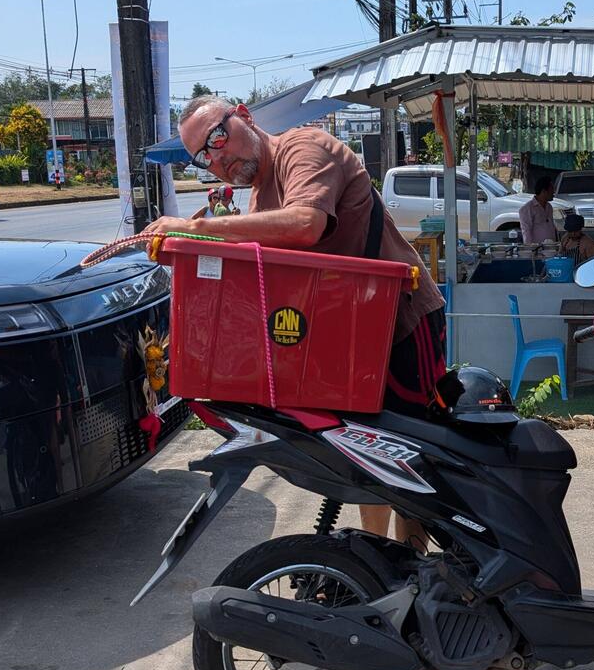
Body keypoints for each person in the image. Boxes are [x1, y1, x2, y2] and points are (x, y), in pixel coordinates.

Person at [151, 95, 447, 547]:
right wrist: (188, 253)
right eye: (202, 157)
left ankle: (414, 562)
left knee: (409, 455)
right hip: (346, 337)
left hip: (400, 323)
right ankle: (378, 564)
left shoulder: (304, 147)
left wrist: (200, 229)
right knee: (366, 453)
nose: (217, 160)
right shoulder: (259, 197)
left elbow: (306, 223)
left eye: (217, 138)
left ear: (244, 116)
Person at [518, 175, 556, 244]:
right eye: (551, 190)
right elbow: (526, 232)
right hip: (536, 248)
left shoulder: (549, 207)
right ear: (544, 191)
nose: (553, 192)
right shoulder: (527, 209)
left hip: (551, 247)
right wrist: (530, 248)